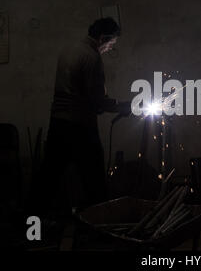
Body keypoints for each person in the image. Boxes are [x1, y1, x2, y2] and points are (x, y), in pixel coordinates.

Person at [30, 17, 131, 219]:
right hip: (80, 128)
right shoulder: (92, 57)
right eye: (110, 44)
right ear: (103, 38)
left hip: (58, 124)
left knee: (48, 177)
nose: (109, 49)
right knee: (94, 180)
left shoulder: (69, 50)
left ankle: (31, 222)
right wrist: (126, 106)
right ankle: (100, 226)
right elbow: (97, 101)